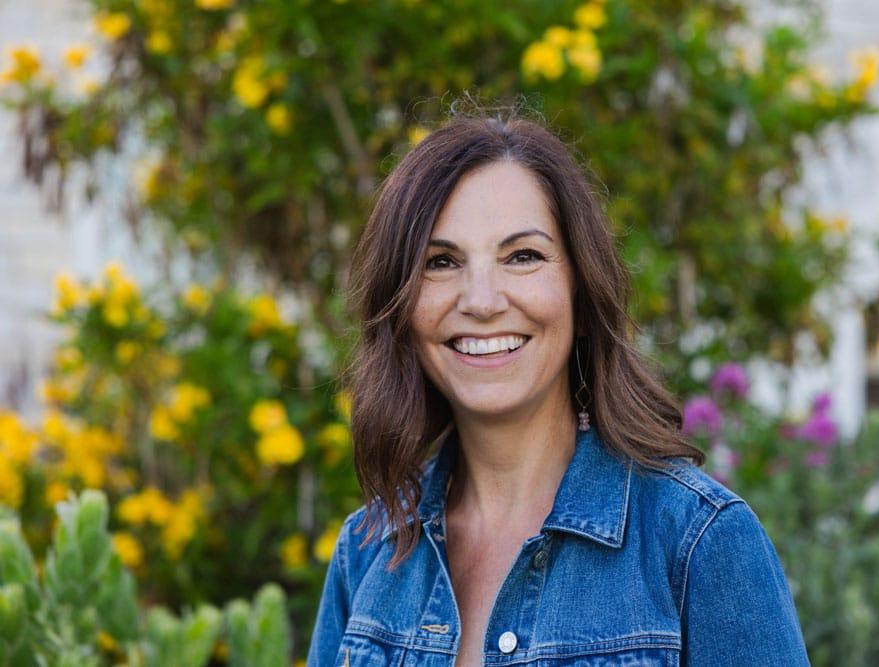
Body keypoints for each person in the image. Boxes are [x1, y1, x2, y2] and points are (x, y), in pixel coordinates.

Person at [307, 110, 810, 666]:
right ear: (401, 309)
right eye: (441, 262)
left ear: (582, 294)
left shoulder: (697, 542)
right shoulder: (367, 550)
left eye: (522, 257)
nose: (480, 301)